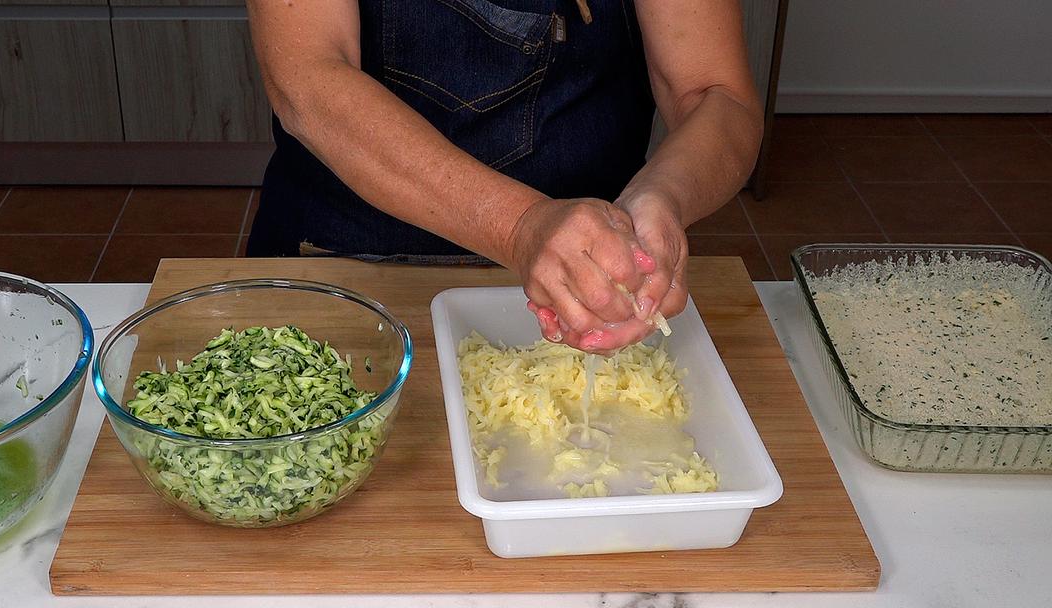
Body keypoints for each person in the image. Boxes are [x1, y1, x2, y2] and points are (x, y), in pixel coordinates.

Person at [246, 0, 763, 352]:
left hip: (587, 293)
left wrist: (663, 195)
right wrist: (520, 226)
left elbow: (717, 94)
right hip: (344, 266)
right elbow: (306, 82)